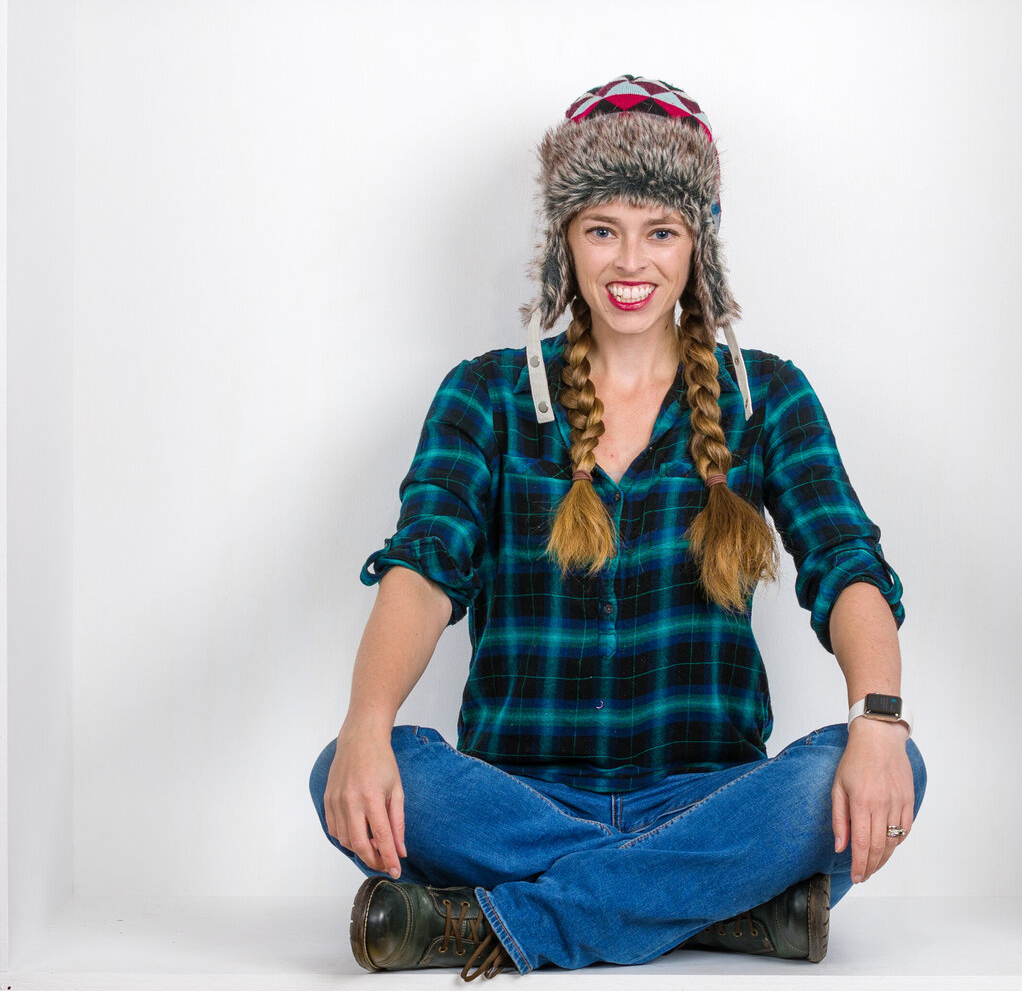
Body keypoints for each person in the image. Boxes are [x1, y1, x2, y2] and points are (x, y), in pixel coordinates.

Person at [310, 75, 927, 980]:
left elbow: (846, 563)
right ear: (565, 239)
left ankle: (502, 921)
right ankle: (716, 905)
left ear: (697, 245)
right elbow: (424, 566)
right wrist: (367, 723)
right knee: (349, 762)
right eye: (602, 228)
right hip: (515, 798)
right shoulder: (484, 395)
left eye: (660, 232)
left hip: (710, 794)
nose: (629, 262)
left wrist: (877, 721)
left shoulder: (770, 395)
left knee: (882, 764)